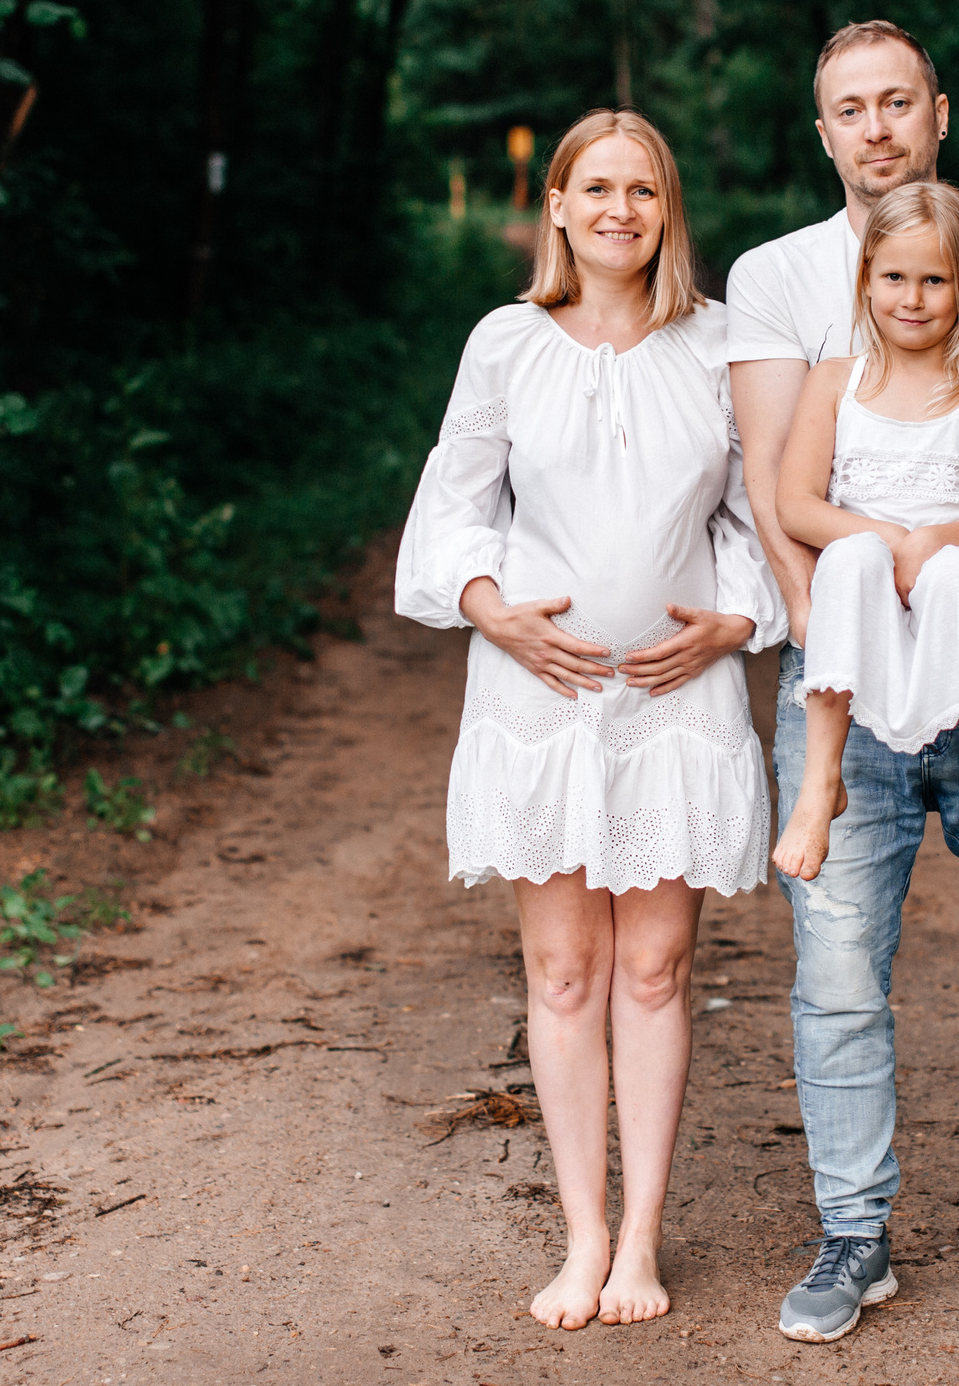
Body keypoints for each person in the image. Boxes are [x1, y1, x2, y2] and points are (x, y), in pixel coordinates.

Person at [726, 21, 959, 1345]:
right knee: (834, 974)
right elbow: (782, 492)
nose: (875, 127)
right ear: (819, 132)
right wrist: (853, 619)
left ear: (938, 111)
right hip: (849, 674)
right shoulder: (774, 279)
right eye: (848, 109)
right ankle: (853, 1232)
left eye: (897, 102)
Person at [395, 107, 785, 1332]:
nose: (621, 209)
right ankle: (582, 1235)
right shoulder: (506, 343)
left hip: (677, 699)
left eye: (645, 190)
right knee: (564, 973)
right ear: (556, 205)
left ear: (669, 213)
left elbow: (763, 515)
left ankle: (644, 1241)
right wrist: (490, 610)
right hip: (542, 700)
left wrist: (739, 620)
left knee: (659, 969)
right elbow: (451, 509)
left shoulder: (724, 344)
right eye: (597, 187)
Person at [772, 181, 959, 898]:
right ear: (866, 279)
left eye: (935, 280)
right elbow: (796, 504)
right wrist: (884, 536)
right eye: (894, 277)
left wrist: (930, 541)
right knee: (851, 558)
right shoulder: (835, 382)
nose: (913, 297)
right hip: (866, 593)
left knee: (956, 575)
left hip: (957, 589)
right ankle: (822, 783)